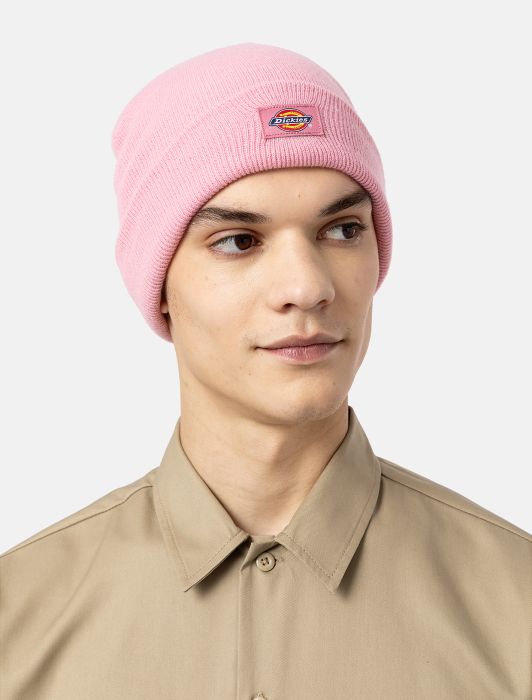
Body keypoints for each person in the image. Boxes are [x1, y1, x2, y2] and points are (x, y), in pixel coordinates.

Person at [0, 42, 530, 700]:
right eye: (238, 241)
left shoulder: (518, 608)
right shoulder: (18, 620)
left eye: (342, 230)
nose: (307, 287)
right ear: (158, 286)